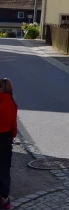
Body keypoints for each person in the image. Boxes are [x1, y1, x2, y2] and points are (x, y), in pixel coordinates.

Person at [0, 78, 17, 209]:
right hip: (6, 138)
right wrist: (12, 137)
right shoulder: (12, 102)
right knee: (4, 168)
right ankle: (4, 198)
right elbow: (13, 125)